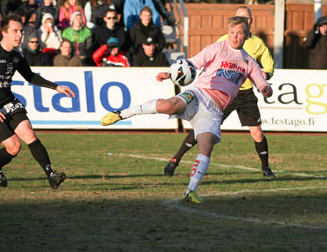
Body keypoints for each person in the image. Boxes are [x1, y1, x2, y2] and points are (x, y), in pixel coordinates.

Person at [101, 15, 274, 203]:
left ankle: (190, 191)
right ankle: (123, 113)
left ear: (247, 35)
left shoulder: (249, 62)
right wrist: (170, 74)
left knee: (206, 145)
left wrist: (266, 89)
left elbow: (262, 84)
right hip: (199, 93)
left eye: (239, 33)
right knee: (169, 106)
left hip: (215, 109)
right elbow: (192, 63)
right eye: (231, 32)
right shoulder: (217, 48)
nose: (234, 37)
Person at [164, 6, 277, 179]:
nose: (243, 22)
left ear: (250, 23)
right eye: (240, 17)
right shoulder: (225, 40)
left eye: (246, 19)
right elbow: (206, 62)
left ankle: (266, 168)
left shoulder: (257, 43)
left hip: (245, 94)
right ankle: (174, 160)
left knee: (257, 132)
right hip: (220, 95)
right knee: (201, 129)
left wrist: (266, 76)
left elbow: (268, 67)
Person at [0, 15, 75, 188]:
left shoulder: (17, 56)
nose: (20, 35)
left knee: (29, 133)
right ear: (4, 33)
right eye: (15, 31)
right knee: (14, 147)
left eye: (21, 31)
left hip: (7, 102)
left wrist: (56, 87)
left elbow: (30, 76)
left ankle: (51, 174)